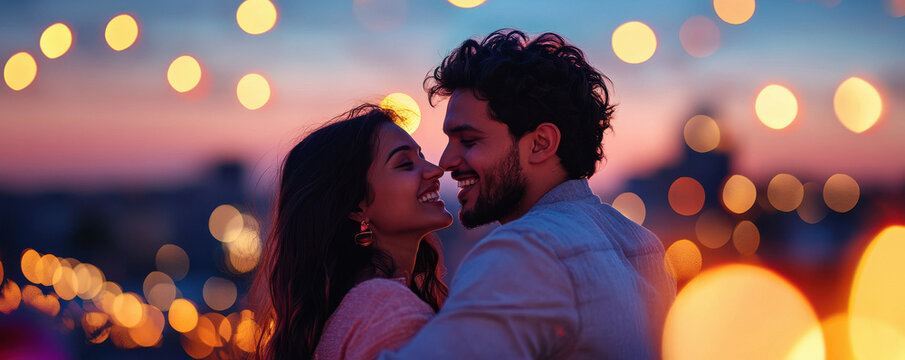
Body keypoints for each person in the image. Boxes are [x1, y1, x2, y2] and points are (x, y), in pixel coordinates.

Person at [380, 30, 676, 359]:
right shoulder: (643, 246)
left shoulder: (526, 252)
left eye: (468, 140)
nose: (446, 162)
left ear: (540, 144)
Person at [253, 105, 454, 360]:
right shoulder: (386, 307)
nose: (435, 170)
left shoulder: (352, 310)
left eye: (422, 156)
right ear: (356, 208)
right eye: (405, 164)